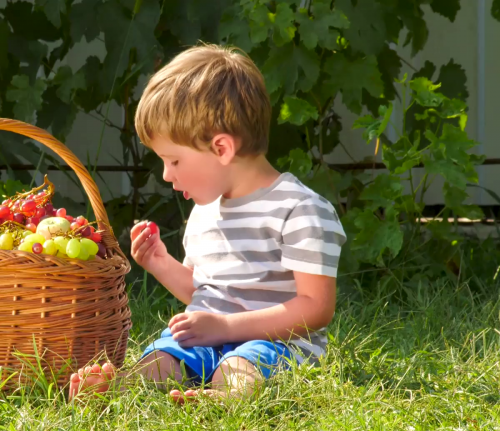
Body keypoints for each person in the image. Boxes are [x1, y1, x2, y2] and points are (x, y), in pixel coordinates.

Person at [68, 43, 347, 403]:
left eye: (174, 161)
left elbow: (316, 307)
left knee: (242, 366)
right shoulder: (205, 210)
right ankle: (121, 388)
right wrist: (159, 263)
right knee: (162, 356)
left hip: (276, 344)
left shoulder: (300, 209)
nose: (167, 175)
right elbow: (205, 292)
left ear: (222, 149)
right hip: (209, 337)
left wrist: (226, 327)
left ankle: (222, 398)